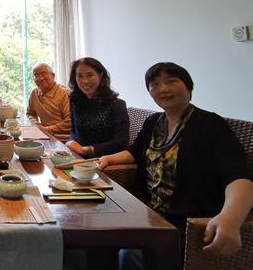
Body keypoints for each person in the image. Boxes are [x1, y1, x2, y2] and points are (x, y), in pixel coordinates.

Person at [98, 62, 253, 265]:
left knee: (128, 253)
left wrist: (231, 218)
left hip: (184, 224)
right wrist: (107, 159)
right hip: (145, 212)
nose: (163, 88)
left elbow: (239, 176)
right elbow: (135, 153)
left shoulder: (211, 125)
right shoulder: (154, 122)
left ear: (189, 87)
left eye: (171, 81)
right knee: (100, 234)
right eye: (154, 84)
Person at [65, 57, 129, 157]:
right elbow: (74, 130)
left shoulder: (117, 105)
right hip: (76, 156)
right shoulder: (75, 101)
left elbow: (120, 143)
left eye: (89, 75)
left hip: (103, 161)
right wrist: (71, 141)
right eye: (79, 76)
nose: (85, 81)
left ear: (101, 76)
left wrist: (87, 150)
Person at [26, 62, 71, 140]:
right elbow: (30, 114)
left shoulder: (65, 93)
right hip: (44, 135)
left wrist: (47, 129)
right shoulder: (34, 93)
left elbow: (70, 121)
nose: (40, 78)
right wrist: (35, 123)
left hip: (63, 138)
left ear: (53, 75)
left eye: (43, 74)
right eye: (36, 75)